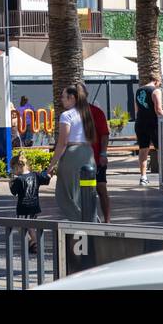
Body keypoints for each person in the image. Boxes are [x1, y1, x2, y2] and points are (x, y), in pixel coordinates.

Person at [52, 84, 97, 221]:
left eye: (63, 97)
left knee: (66, 194)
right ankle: (92, 221)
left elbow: (62, 142)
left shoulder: (66, 115)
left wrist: (52, 164)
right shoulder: (87, 113)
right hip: (88, 154)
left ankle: (80, 222)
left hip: (72, 155)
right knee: (87, 194)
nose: (61, 100)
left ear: (72, 98)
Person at [9, 152, 50, 250]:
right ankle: (33, 243)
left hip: (24, 207)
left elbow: (14, 192)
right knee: (30, 226)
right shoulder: (35, 175)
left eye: (13, 169)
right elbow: (46, 179)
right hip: (35, 206)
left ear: (18, 167)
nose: (13, 171)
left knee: (21, 227)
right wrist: (48, 174)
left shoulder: (19, 179)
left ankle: (34, 243)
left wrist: (10, 182)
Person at [134, 75, 163, 185]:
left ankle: (143, 177)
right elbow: (158, 109)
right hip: (153, 123)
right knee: (160, 149)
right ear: (156, 81)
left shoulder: (138, 90)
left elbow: (137, 109)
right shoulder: (156, 91)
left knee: (143, 150)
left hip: (140, 122)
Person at [90, 94, 112, 222]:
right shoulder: (71, 113)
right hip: (80, 160)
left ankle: (107, 220)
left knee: (101, 189)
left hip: (97, 159)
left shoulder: (97, 112)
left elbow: (104, 134)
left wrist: (103, 154)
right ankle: (91, 218)